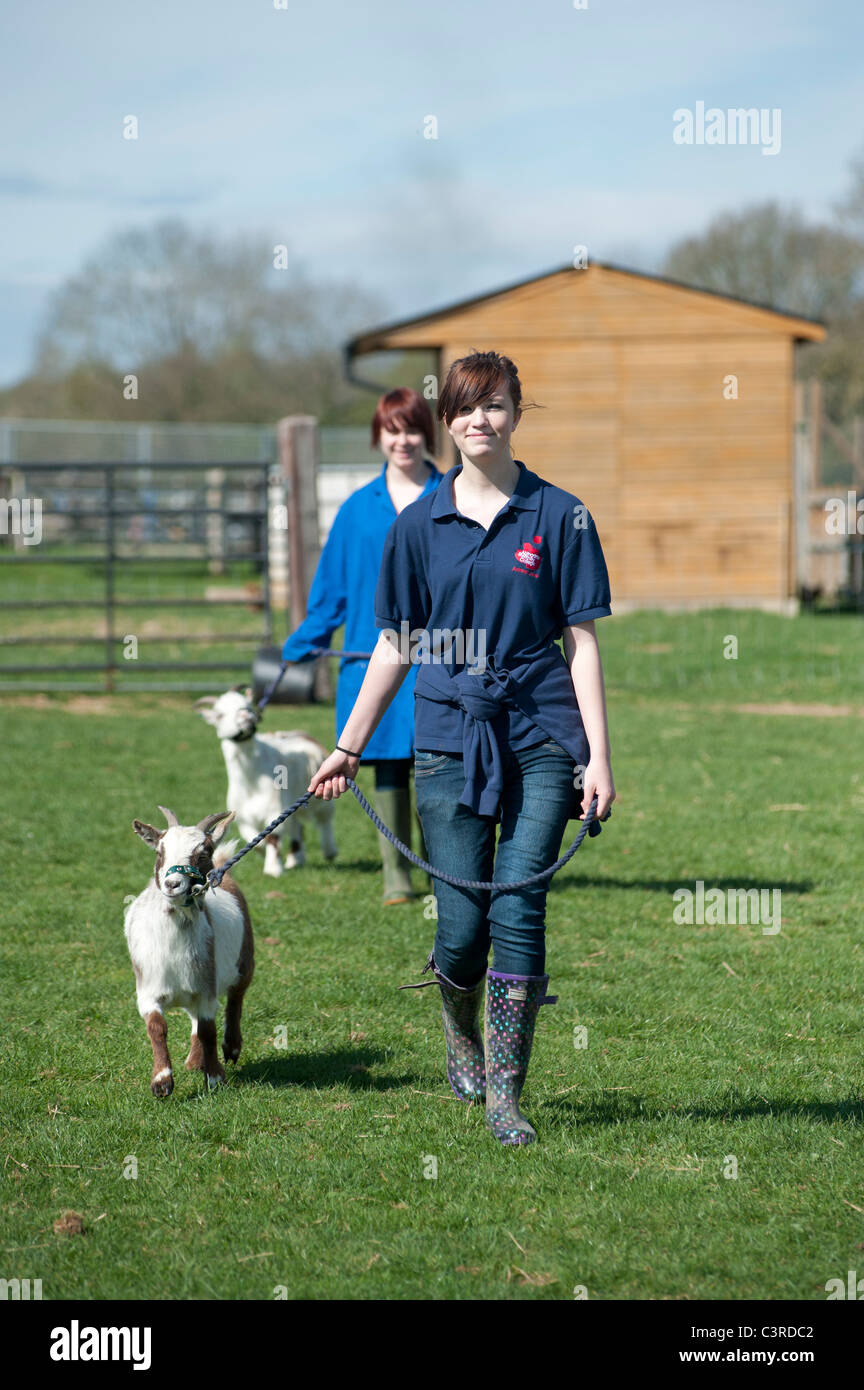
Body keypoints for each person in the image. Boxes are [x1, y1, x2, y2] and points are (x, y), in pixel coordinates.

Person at [307, 350, 616, 1146]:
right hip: (446, 733)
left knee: (521, 903)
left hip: (544, 731)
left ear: (518, 413)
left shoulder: (562, 516)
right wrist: (349, 745)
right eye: (468, 409)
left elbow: (580, 642)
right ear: (449, 421)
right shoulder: (417, 527)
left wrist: (601, 759)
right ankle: (459, 1029)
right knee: (463, 925)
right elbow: (395, 644)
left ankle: (506, 1096)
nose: (482, 421)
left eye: (498, 406)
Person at [282, 388, 443, 904]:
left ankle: (447, 874)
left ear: (428, 434)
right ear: (379, 436)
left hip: (446, 654)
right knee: (390, 760)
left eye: (412, 429)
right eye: (392, 430)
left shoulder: (455, 493)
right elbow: (332, 587)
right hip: (373, 656)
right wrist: (304, 643)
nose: (403, 440)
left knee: (441, 762)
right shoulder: (356, 510)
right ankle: (396, 873)